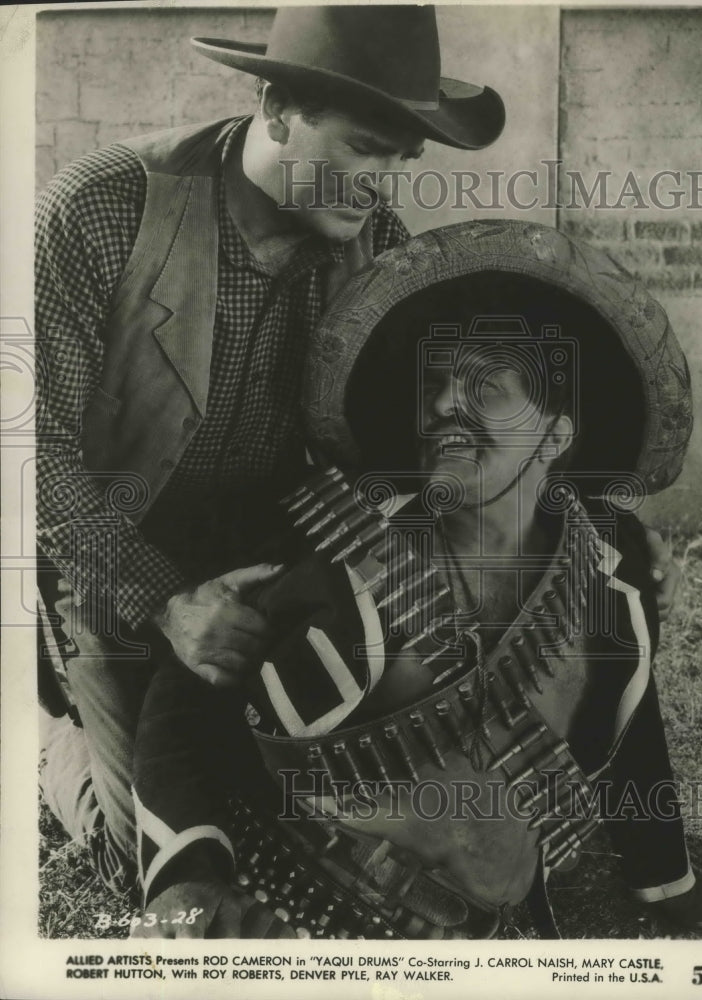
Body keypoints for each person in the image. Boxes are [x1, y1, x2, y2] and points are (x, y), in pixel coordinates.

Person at [127, 220, 702, 940]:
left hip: (468, 938)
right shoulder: (347, 556)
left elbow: (633, 736)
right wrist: (186, 872)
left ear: (556, 437)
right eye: (436, 387)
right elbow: (187, 701)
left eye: (485, 388)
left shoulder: (609, 586)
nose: (442, 407)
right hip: (299, 901)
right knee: (99, 797)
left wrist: (672, 891)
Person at [35, 6, 507, 892]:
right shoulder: (106, 207)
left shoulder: (380, 254)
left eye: (403, 161)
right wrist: (165, 603)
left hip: (271, 566)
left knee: (273, 819)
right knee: (135, 843)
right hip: (108, 557)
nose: (382, 185)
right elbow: (28, 449)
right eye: (366, 148)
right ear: (278, 105)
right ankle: (32, 727)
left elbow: (404, 453)